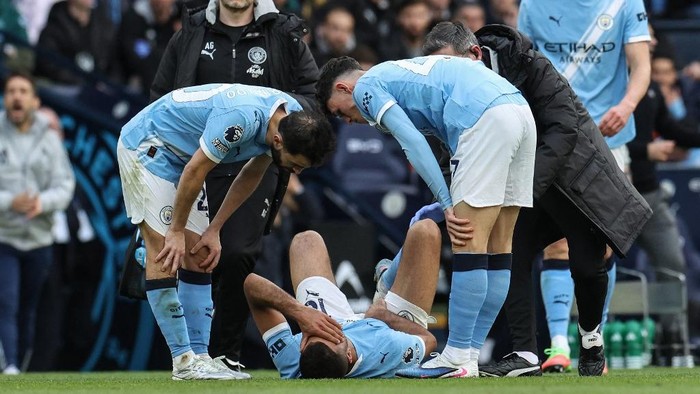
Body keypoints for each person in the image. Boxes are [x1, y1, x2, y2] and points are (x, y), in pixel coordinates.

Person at [387, 22, 652, 377]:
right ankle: (525, 354)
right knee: (510, 255)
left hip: (572, 181)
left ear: (475, 55)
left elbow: (565, 125)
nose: (445, 77)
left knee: (588, 268)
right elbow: (445, 151)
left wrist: (522, 183)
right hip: (519, 189)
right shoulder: (440, 93)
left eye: (451, 66)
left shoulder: (529, 64)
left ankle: (591, 340)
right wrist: (456, 198)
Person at [317, 54, 537, 378]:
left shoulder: (366, 87)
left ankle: (458, 356)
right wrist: (443, 200)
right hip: (519, 112)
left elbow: (413, 143)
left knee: (468, 243)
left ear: (343, 87)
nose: (348, 121)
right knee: (499, 246)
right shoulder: (398, 75)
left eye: (339, 111)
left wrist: (447, 206)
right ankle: (470, 356)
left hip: (482, 118)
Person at [116, 83, 335, 380]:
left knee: (201, 254)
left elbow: (251, 174)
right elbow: (197, 170)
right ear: (279, 140)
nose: (295, 172)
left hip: (183, 158)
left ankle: (200, 358)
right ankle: (183, 361)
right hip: (149, 146)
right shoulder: (239, 120)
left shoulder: (292, 117)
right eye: (295, 165)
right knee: (166, 253)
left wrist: (214, 230)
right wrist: (176, 230)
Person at [149, 0, 320, 371]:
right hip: (201, 158)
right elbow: (163, 93)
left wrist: (282, 130)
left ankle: (225, 354)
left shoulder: (284, 35)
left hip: (258, 156)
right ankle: (194, 357)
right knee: (190, 254)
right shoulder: (191, 32)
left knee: (237, 253)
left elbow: (312, 99)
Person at [518, 0, 651, 373]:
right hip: (553, 135)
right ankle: (558, 347)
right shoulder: (533, 5)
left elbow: (641, 64)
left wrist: (626, 106)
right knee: (557, 241)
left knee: (604, 241)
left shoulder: (624, 3)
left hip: (609, 137)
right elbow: (523, 63)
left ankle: (595, 342)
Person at [245, 218, 442, 378]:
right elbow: (429, 340)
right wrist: (383, 317)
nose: (323, 329)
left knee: (306, 240)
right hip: (385, 322)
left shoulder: (291, 358)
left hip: (335, 314)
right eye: (331, 335)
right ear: (349, 355)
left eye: (314, 334)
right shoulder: (387, 349)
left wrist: (302, 314)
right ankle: (386, 281)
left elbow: (251, 285)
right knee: (425, 230)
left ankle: (386, 280)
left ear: (302, 347)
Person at [0, 72, 75, 375]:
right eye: (11, 91)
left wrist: (41, 203)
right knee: (6, 301)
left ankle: (19, 366)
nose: (17, 96)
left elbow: (65, 185)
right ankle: (11, 366)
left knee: (27, 307)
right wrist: (9, 202)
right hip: (4, 236)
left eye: (23, 91)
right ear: (5, 99)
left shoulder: (50, 139)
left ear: (35, 101)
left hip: (39, 237)